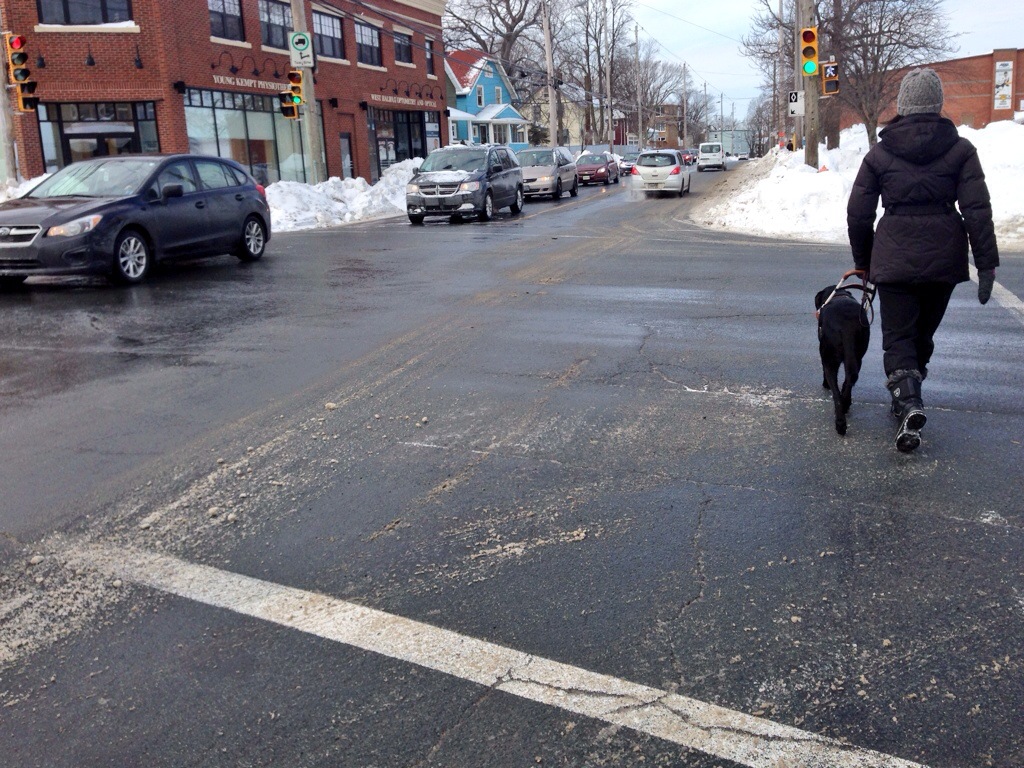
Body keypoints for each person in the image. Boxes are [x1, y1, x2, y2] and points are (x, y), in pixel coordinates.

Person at [847, 67, 999, 453]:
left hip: (894, 259)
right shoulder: (961, 150)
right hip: (944, 260)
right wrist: (985, 265)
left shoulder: (880, 154)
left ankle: (907, 397)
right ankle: (908, 394)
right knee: (922, 335)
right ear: (938, 104)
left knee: (898, 337)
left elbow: (859, 214)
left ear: (902, 106)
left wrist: (863, 263)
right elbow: (977, 210)